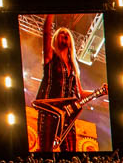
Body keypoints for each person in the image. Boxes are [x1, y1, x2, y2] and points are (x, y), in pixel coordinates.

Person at [34, 14, 106, 152]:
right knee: (46, 151)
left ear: (71, 41)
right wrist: (50, 14)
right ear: (56, 38)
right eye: (61, 33)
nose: (64, 34)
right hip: (49, 111)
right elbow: (46, 33)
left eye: (67, 33)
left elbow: (80, 93)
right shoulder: (51, 57)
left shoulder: (73, 67)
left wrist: (100, 92)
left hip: (67, 115)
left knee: (71, 152)